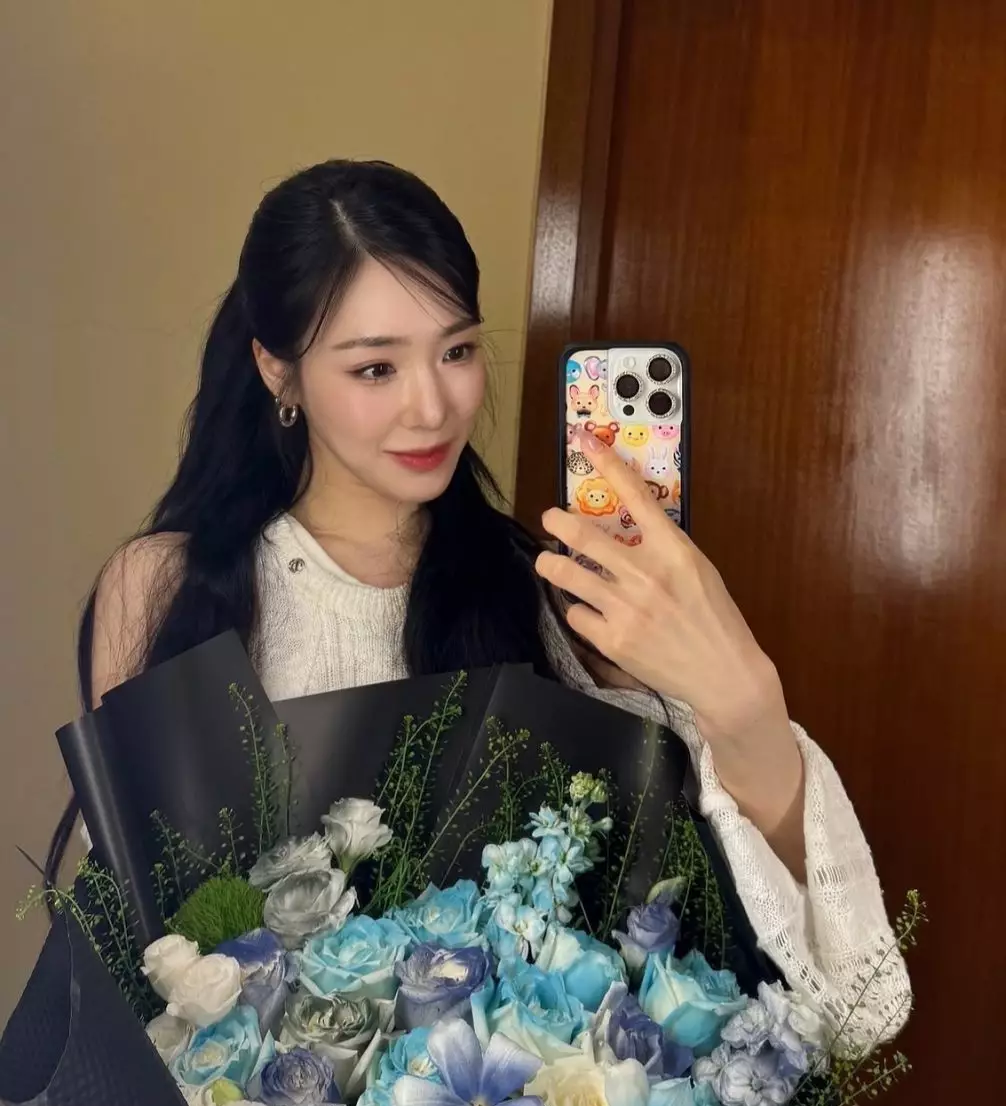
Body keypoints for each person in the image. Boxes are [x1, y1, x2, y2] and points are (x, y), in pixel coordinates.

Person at [52, 159, 909, 1049]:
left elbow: (848, 1008)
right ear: (279, 370)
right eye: (376, 367)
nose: (433, 407)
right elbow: (148, 955)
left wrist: (745, 705)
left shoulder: (541, 593)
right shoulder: (165, 587)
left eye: (457, 351)